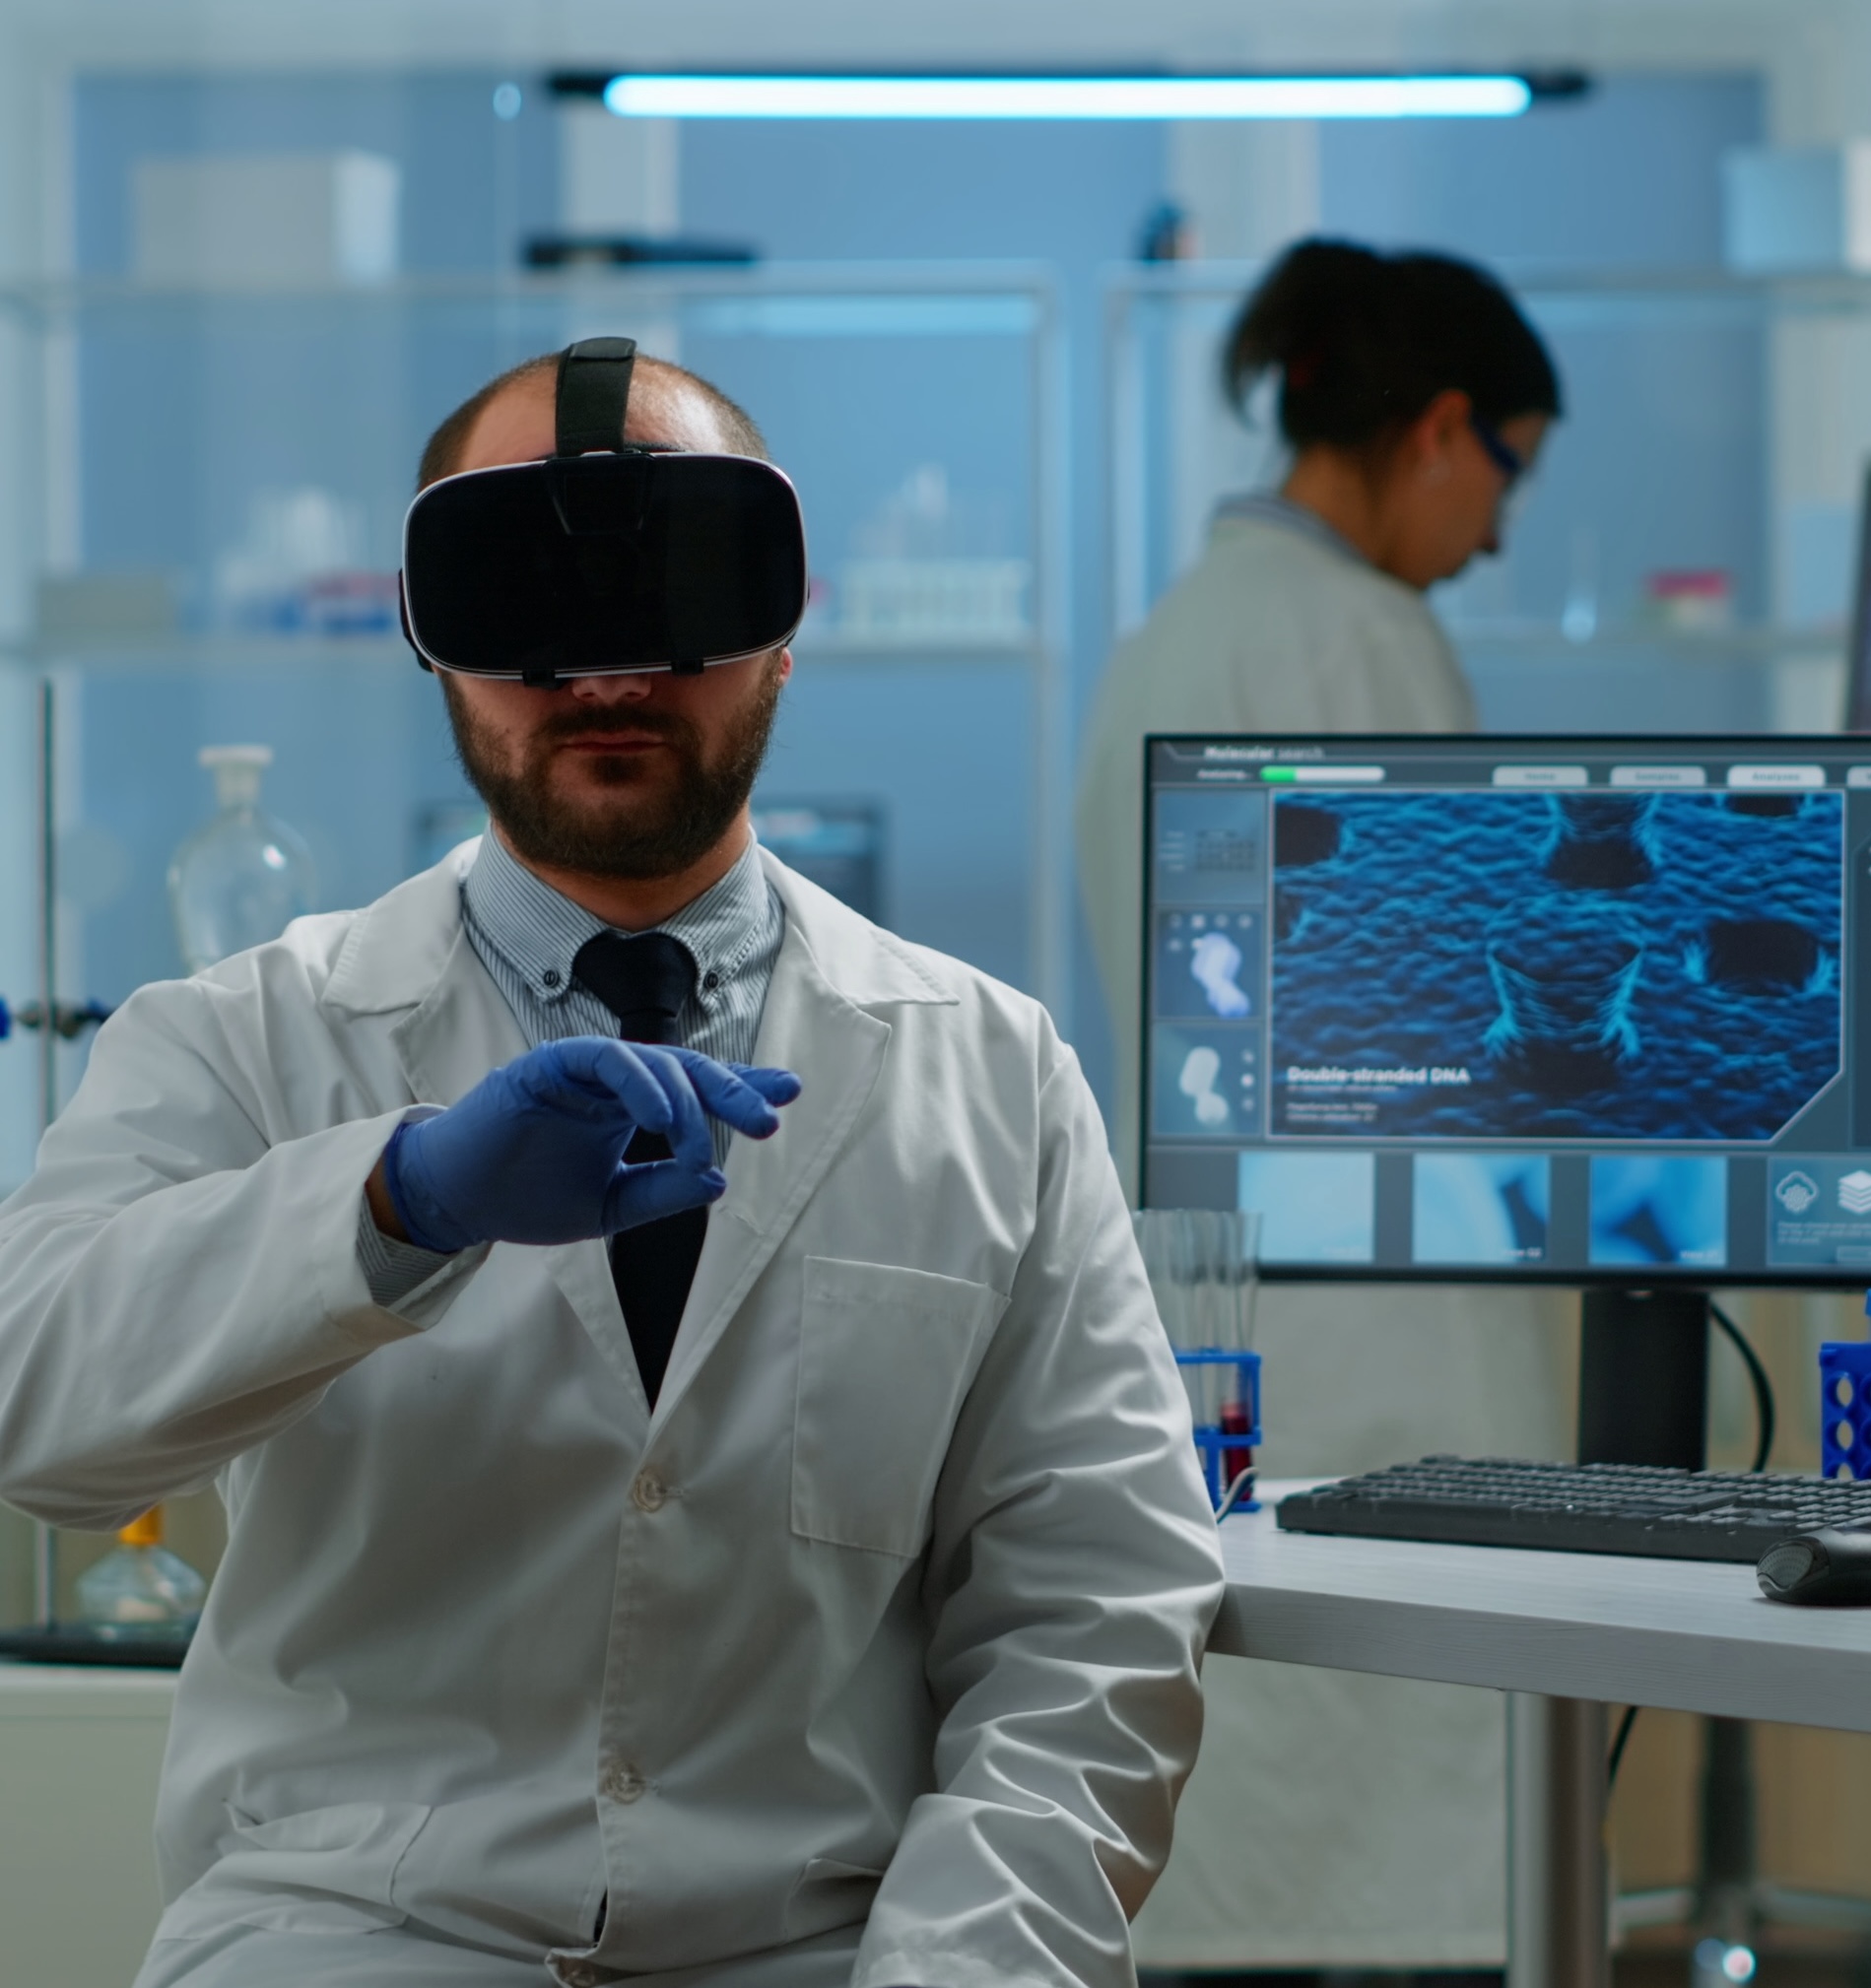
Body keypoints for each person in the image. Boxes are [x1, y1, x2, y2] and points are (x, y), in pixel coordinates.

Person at [0, 350, 1225, 1988]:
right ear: (434, 634)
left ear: (787, 618)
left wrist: (961, 1968)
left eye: (675, 584)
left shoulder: (989, 1074)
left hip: (834, 1945)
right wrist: (393, 1203)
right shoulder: (250, 1040)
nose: (603, 670)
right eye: (530, 597)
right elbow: (37, 1407)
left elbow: (1096, 1603)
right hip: (352, 1930)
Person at [1075, 240, 1571, 1975]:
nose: (1495, 529)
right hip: (1396, 1335)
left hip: (1225, 1324)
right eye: (1506, 467)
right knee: (1413, 1848)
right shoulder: (1363, 641)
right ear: (1440, 431)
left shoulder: (1169, 640)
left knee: (1266, 1829)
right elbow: (1470, 1029)